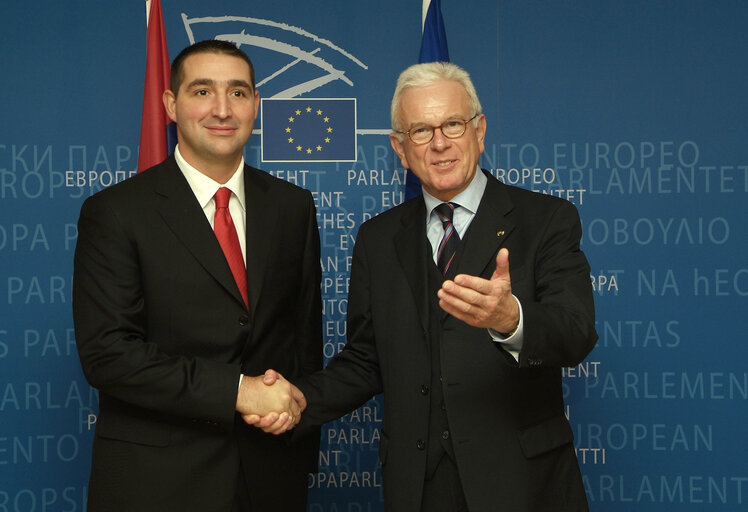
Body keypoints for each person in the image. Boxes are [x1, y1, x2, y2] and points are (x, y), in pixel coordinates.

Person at [252, 61, 597, 512]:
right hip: (417, 486)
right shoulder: (378, 238)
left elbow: (575, 332)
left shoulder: (546, 220)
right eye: (420, 131)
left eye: (452, 124)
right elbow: (367, 357)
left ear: (479, 130)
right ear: (399, 147)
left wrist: (512, 319)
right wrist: (299, 399)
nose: (439, 143)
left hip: (522, 482)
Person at [73, 40, 321, 511]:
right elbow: (108, 355)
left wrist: (296, 428)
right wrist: (237, 391)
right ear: (171, 105)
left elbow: (302, 340)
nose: (222, 109)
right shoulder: (116, 212)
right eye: (202, 91)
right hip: (158, 485)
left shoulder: (292, 206)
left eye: (239, 93)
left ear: (256, 105)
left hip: (271, 477)